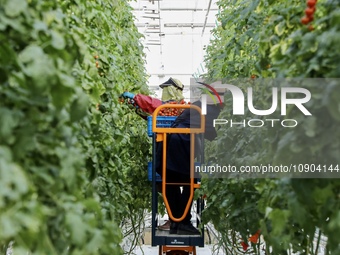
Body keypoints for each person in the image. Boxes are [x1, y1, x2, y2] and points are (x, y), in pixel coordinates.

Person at [120, 79, 223, 235]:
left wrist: (135, 99)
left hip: (169, 147)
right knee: (190, 181)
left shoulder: (196, 105)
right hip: (179, 146)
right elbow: (211, 132)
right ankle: (182, 222)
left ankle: (177, 222)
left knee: (170, 181)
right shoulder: (207, 108)